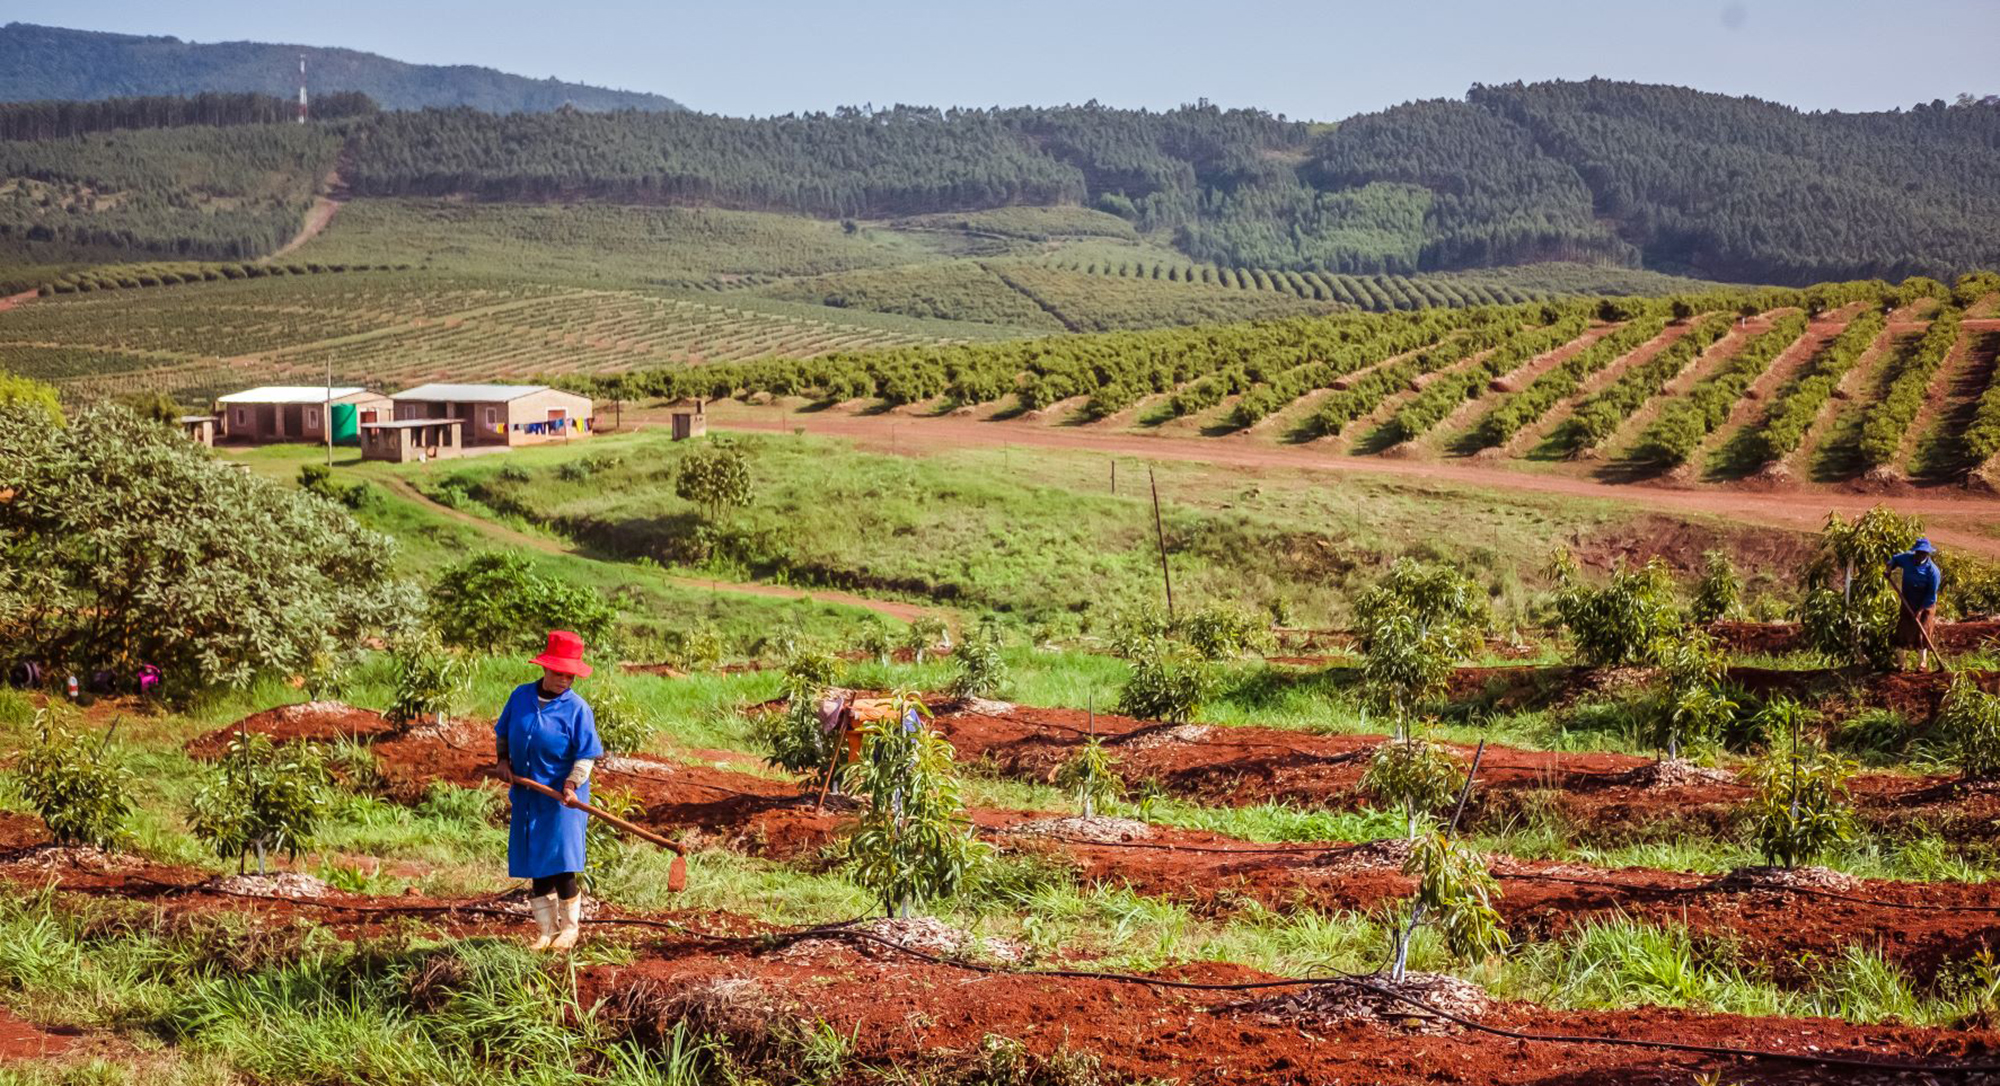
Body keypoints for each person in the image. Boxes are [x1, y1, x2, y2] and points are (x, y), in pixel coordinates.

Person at [494, 630, 603, 951]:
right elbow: (503, 732)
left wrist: (571, 784)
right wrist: (503, 761)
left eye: (570, 675)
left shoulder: (578, 709)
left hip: (562, 799)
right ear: (545, 669)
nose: (564, 680)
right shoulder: (520, 697)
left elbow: (586, 754)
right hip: (529, 795)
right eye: (558, 673)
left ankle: (569, 929)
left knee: (562, 862)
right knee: (536, 861)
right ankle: (545, 931)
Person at [1885, 538, 1943, 671]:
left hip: (1926, 604)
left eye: (1923, 553)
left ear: (1927, 555)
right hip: (1908, 601)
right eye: (1918, 552)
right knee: (1903, 630)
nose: (1919, 555)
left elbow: (1931, 595)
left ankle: (1922, 665)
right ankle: (1901, 664)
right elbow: (1894, 559)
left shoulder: (1933, 572)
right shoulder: (1907, 559)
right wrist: (1889, 569)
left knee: (1923, 632)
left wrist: (1921, 610)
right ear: (1915, 552)